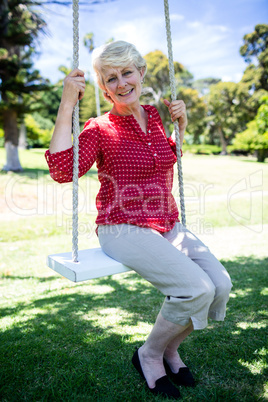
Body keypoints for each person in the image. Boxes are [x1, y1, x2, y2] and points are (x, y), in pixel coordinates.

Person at [45, 41, 232, 400]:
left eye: (127, 72)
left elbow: (168, 156)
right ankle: (148, 354)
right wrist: (67, 102)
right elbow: (59, 170)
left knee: (219, 286)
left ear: (141, 73)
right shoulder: (99, 127)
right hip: (122, 226)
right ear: (102, 87)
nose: (121, 83)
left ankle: (170, 349)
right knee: (197, 289)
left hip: (167, 222)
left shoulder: (157, 115)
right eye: (110, 78)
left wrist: (184, 124)